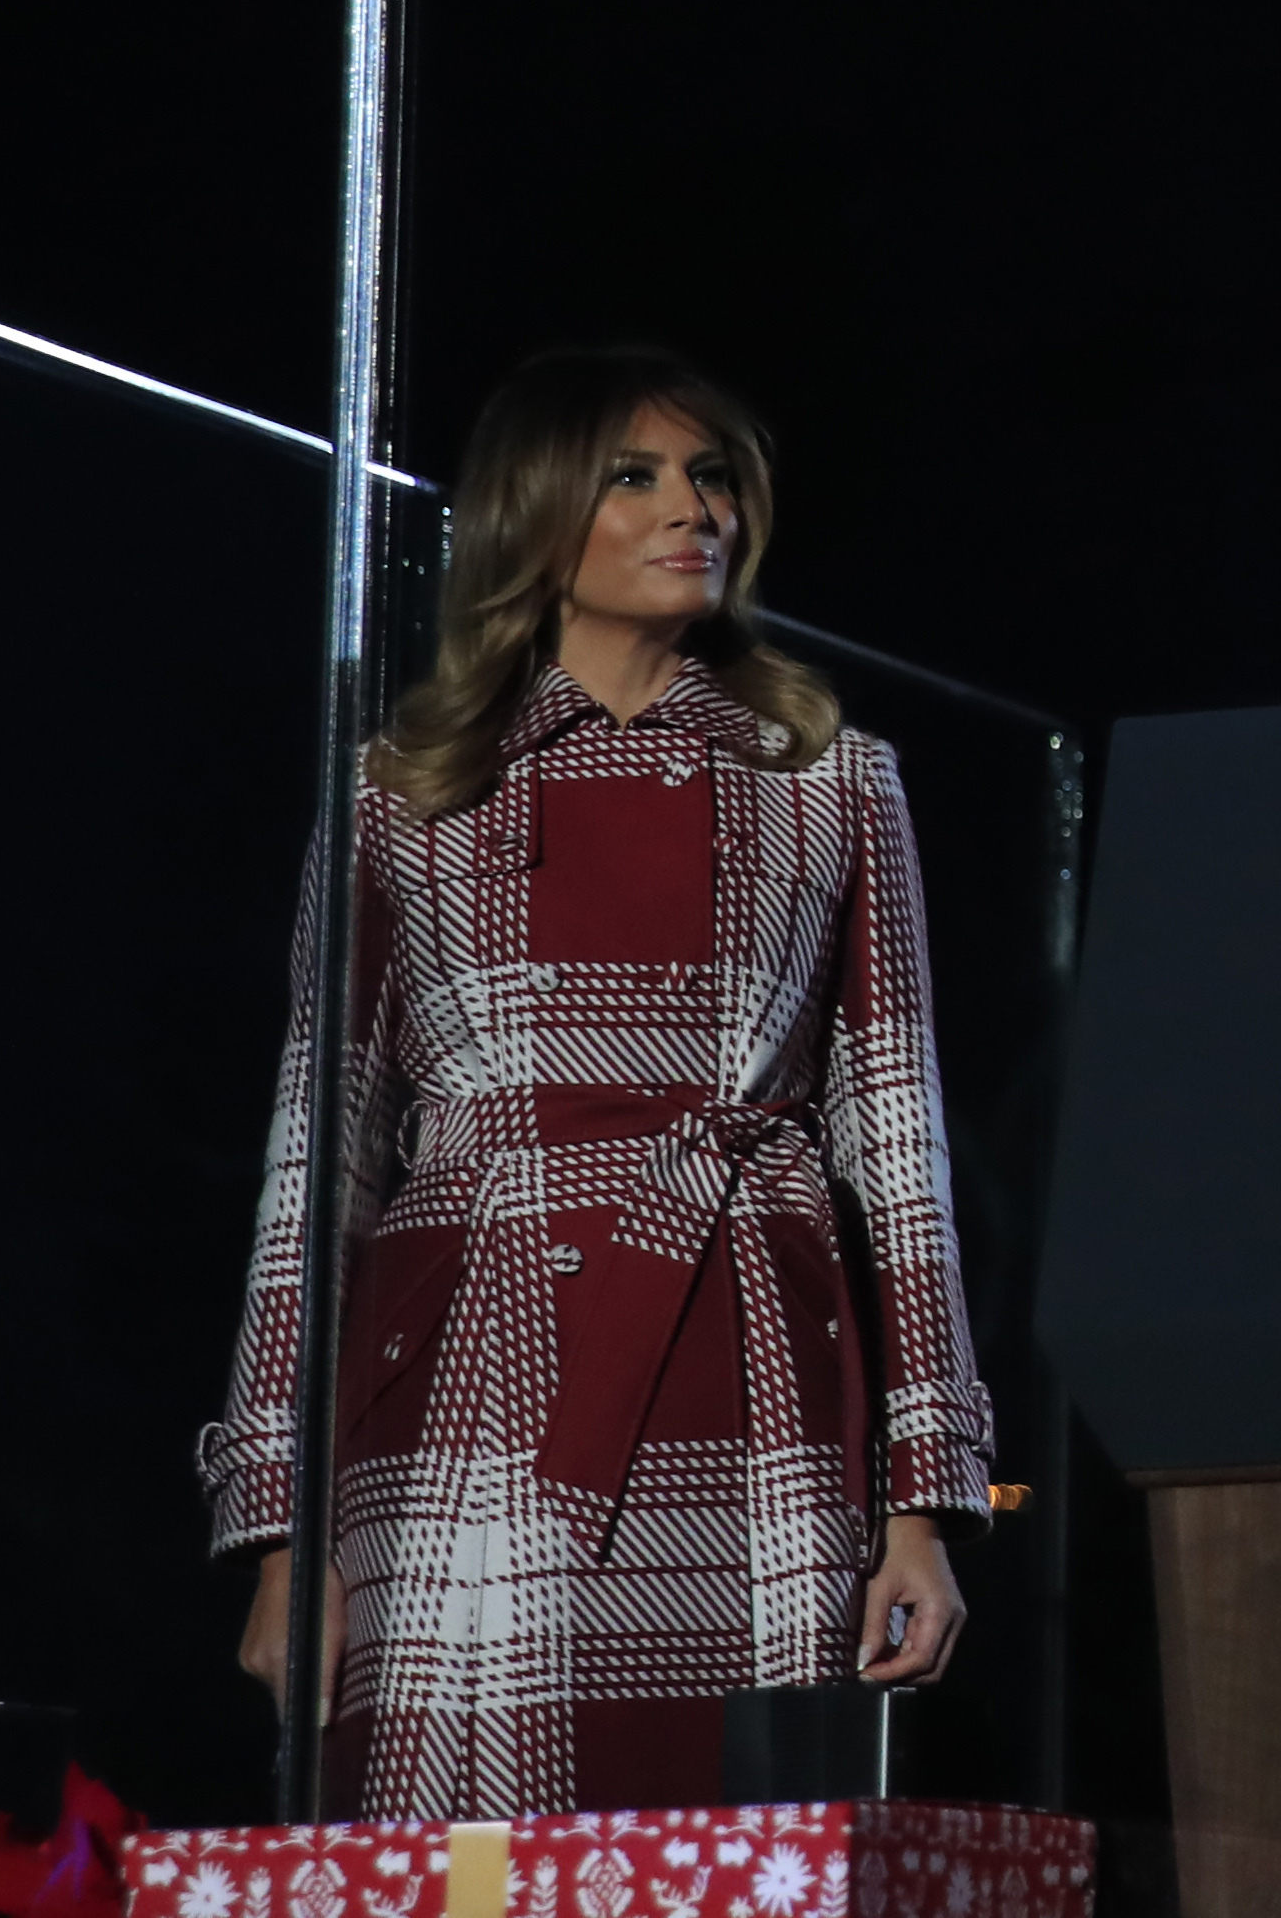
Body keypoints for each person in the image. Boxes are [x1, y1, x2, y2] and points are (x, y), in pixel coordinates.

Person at [204, 352, 992, 1820]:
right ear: (534, 513)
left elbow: (900, 1149)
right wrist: (280, 1529)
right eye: (637, 476)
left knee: (737, 1841)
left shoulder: (833, 777)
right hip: (468, 1372)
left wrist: (924, 1498)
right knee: (461, 1852)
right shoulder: (398, 788)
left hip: (753, 1354)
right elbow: (316, 1166)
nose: (695, 509)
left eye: (713, 477)